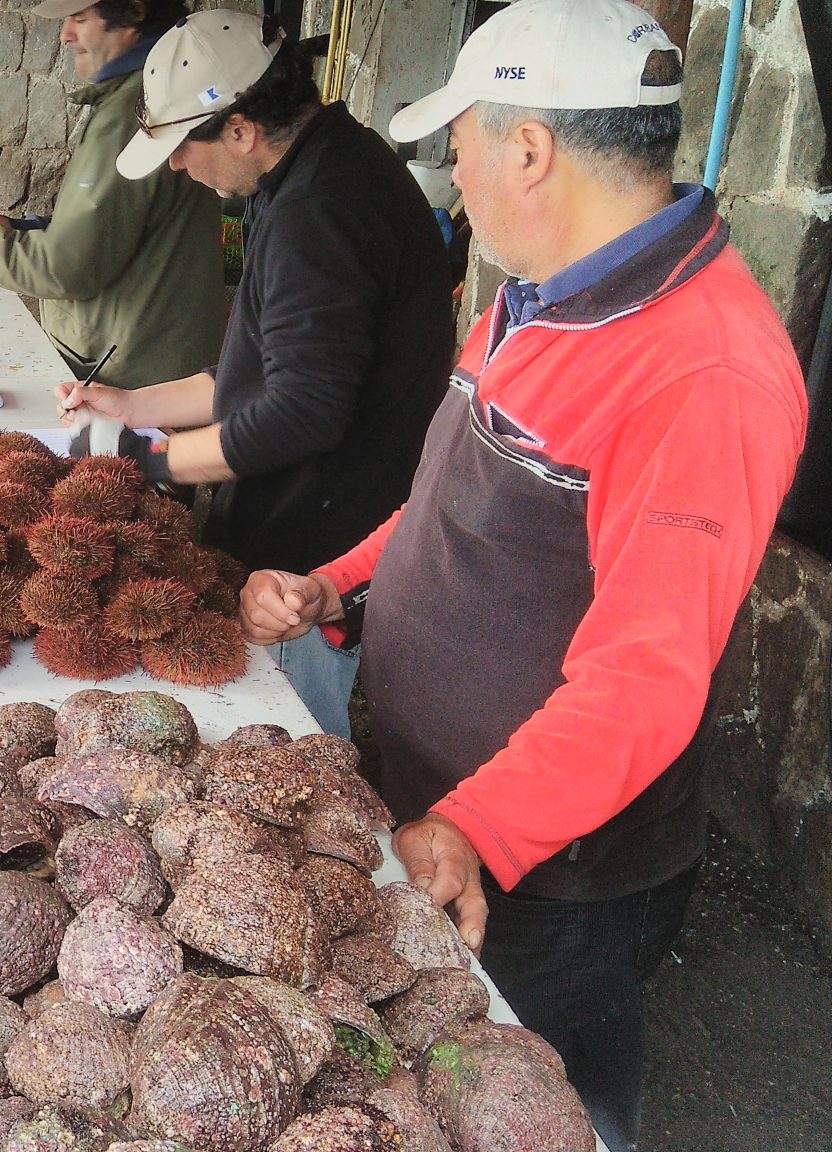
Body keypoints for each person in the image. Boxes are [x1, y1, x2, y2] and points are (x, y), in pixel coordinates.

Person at [237, 1, 807, 1146]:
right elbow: (452, 503)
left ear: (529, 149)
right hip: (430, 792)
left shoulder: (704, 372)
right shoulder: (528, 296)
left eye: (459, 147)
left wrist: (478, 832)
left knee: (543, 1101)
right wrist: (335, 580)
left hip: (547, 869)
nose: (453, 180)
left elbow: (644, 677)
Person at [54, 11, 452, 736]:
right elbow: (262, 369)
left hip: (315, 556)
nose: (176, 166)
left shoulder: (319, 213)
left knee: (287, 742)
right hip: (314, 524)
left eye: (182, 147)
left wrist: (157, 456)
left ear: (239, 128)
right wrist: (133, 400)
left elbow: (303, 408)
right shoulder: (324, 167)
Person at [0, 0, 225, 391]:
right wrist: (18, 229)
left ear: (134, 12)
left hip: (135, 375)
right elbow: (115, 232)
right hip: (144, 357)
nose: (65, 34)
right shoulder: (136, 98)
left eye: (80, 18)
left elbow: (68, 268)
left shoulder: (131, 112)